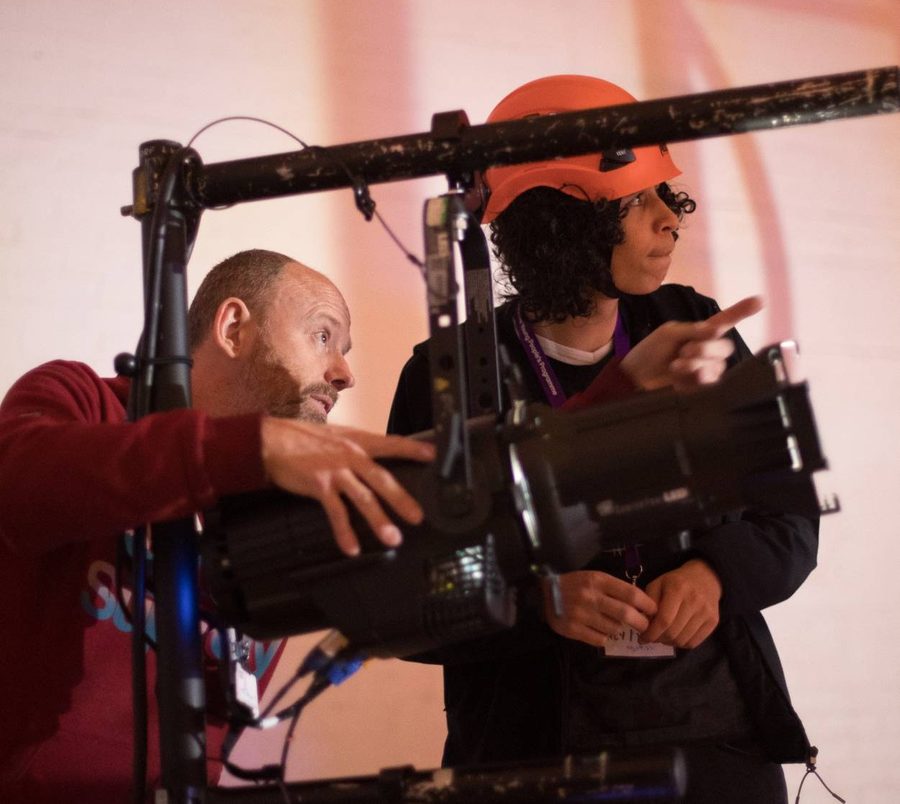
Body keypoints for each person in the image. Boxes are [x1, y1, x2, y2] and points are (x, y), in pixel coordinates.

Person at [388, 76, 818, 803]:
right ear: (560, 221)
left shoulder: (697, 329)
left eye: (667, 196)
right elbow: (402, 593)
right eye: (637, 200)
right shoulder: (446, 376)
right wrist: (536, 601)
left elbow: (792, 514)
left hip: (715, 743)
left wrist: (714, 573)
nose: (669, 220)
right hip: (533, 761)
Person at [0, 248, 434, 802]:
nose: (345, 374)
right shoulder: (81, 401)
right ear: (233, 328)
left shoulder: (276, 518)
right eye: (323, 337)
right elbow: (18, 486)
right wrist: (251, 447)